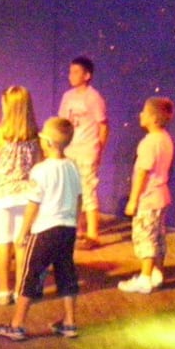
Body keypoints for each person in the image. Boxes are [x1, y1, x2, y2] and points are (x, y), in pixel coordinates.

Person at [0, 117, 82, 341]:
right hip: (67, 229)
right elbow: (79, 198)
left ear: (49, 143)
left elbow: (33, 204)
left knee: (30, 276)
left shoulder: (40, 170)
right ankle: (70, 322)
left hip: (44, 230)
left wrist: (23, 231)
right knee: (66, 274)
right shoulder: (72, 166)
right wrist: (75, 221)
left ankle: (17, 325)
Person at [0, 85, 42, 305]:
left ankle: (3, 290)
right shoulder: (35, 136)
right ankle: (20, 290)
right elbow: (39, 166)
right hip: (26, 195)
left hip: (2, 195)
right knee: (21, 243)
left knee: (2, 242)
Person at [118, 97, 175, 294]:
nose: (140, 115)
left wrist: (133, 200)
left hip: (148, 198)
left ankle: (144, 279)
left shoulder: (149, 143)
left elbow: (142, 172)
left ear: (154, 118)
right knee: (158, 236)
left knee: (146, 237)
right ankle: (157, 273)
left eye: (144, 112)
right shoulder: (166, 139)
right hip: (161, 196)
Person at [58, 56, 109, 250]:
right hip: (70, 149)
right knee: (72, 190)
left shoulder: (94, 98)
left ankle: (93, 234)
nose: (71, 75)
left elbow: (103, 126)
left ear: (87, 75)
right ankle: (77, 228)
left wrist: (99, 149)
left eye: (76, 72)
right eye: (70, 71)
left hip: (87, 150)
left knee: (88, 190)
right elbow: (63, 123)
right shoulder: (67, 96)